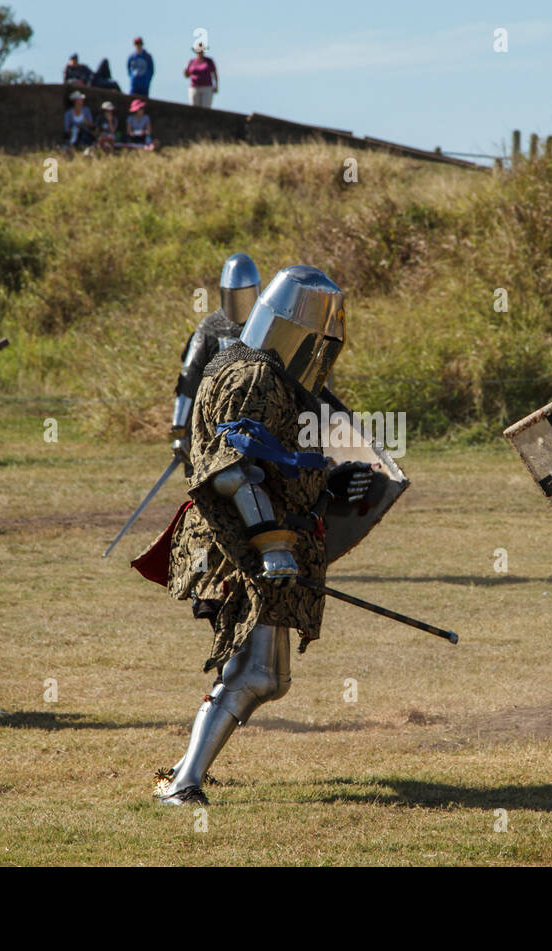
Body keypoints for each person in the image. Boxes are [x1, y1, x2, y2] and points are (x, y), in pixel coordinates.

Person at [134, 265, 373, 806]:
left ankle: (184, 767)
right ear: (295, 329)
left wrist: (326, 481)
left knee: (266, 675)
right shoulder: (252, 376)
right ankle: (183, 783)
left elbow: (270, 458)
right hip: (242, 541)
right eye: (317, 339)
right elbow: (232, 467)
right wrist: (273, 543)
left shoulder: (252, 366)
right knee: (257, 673)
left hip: (249, 536)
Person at [168, 254, 261, 470]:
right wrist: (179, 431)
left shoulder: (267, 324)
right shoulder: (210, 327)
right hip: (214, 425)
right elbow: (188, 379)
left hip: (260, 422)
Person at [184, 41, 218, 108]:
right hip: (194, 87)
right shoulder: (192, 62)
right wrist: (185, 72)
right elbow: (187, 75)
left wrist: (216, 85)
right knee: (194, 108)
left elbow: (215, 74)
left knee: (206, 108)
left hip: (207, 87)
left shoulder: (209, 61)